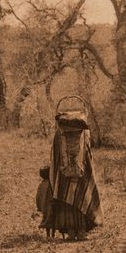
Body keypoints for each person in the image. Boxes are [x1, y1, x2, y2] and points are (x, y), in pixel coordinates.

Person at [43, 102, 101, 240]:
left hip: (63, 175)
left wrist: (56, 174)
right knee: (82, 198)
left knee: (66, 200)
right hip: (82, 174)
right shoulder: (85, 133)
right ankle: (81, 231)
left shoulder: (59, 134)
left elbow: (55, 157)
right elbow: (88, 154)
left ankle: (70, 232)